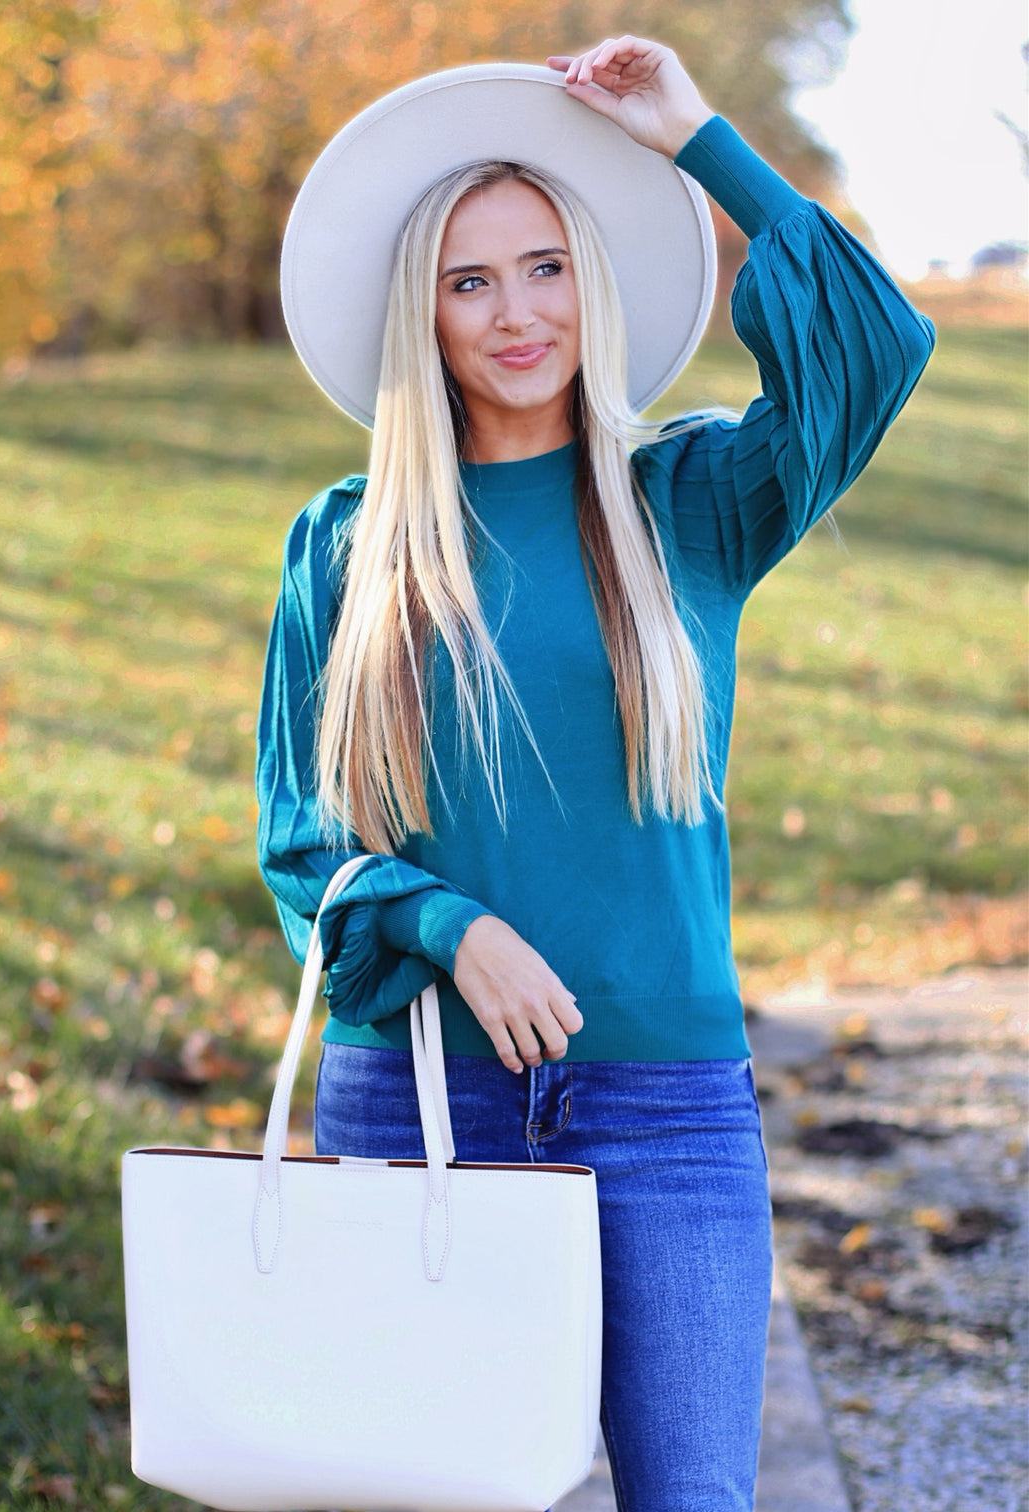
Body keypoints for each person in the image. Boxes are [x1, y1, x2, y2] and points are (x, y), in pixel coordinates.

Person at [256, 35, 936, 1510]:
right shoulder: (346, 542)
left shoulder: (688, 501)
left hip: (666, 1109)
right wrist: (453, 927)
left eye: (550, 265)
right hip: (419, 1101)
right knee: (417, 1496)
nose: (519, 312)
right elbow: (298, 844)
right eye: (472, 279)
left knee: (693, 1497)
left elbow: (879, 346)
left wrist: (698, 137)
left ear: (595, 286)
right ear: (422, 314)